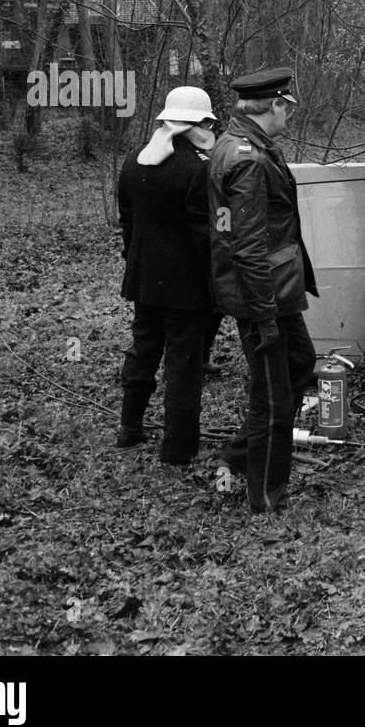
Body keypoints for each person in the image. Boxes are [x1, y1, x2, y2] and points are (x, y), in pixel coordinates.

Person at [209, 68, 319, 513]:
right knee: (272, 396)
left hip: (274, 288)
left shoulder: (240, 144)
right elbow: (248, 245)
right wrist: (264, 314)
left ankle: (239, 454)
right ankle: (265, 494)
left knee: (300, 362)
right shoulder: (248, 159)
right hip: (263, 293)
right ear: (275, 105)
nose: (289, 115)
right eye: (287, 107)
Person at [116, 87, 217, 463]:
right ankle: (178, 449)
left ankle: (130, 429)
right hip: (186, 288)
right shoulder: (197, 169)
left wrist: (137, 260)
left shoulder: (132, 161)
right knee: (183, 365)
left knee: (143, 351)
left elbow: (127, 222)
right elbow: (203, 236)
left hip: (144, 279)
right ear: (197, 125)